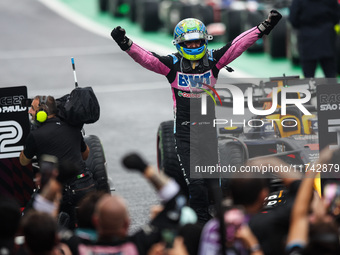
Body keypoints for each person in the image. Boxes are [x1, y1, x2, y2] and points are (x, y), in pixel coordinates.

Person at [111, 11, 282, 223]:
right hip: (184, 133)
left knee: (213, 181)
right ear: (179, 44)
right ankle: (200, 224)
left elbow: (238, 45)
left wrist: (264, 27)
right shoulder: (170, 65)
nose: (193, 47)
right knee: (196, 182)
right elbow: (146, 58)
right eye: (188, 43)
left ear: (204, 41)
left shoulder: (214, 61)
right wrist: (125, 43)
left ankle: (218, 221)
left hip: (208, 129)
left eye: (197, 42)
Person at [73, 153, 196, 255]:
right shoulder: (139, 244)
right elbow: (176, 200)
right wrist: (145, 168)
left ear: (96, 221)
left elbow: (54, 222)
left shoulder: (76, 247)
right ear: (127, 223)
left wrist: (59, 180)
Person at [19, 95, 96, 229]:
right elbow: (86, 154)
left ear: (42, 112)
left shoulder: (36, 135)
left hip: (58, 192)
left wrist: (27, 145)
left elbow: (24, 161)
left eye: (32, 108)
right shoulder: (73, 128)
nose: (29, 111)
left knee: (30, 223)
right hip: (85, 187)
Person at [289, 0, 340, 78]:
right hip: (327, 40)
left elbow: (293, 19)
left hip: (307, 40)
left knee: (308, 77)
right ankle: (332, 90)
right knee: (330, 75)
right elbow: (336, 16)